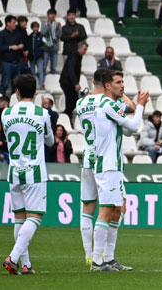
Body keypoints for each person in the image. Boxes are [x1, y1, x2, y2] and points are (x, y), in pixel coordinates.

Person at [91, 70, 147, 272]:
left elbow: (127, 129)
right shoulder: (107, 105)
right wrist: (140, 106)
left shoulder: (112, 106)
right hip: (107, 165)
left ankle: (110, 258)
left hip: (114, 165)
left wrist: (137, 108)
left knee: (116, 211)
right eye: (117, 82)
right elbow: (133, 125)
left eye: (123, 81)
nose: (122, 85)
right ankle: (97, 261)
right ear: (107, 86)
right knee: (106, 211)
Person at [0, 75, 54, 275]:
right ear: (36, 92)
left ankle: (27, 264)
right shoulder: (42, 113)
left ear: (17, 92)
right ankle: (13, 258)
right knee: (34, 217)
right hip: (34, 172)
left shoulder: (6, 113)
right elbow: (49, 141)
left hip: (14, 171)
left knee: (19, 219)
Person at [73, 69, 104, 265]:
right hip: (105, 159)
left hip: (87, 157)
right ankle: (104, 255)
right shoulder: (109, 103)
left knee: (87, 208)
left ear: (93, 82)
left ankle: (88, 254)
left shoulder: (80, 103)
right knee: (110, 209)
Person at [0, 16, 24, 95]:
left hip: (17, 61)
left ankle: (14, 102)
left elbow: (22, 43)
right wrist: (10, 47)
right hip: (6, 62)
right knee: (5, 83)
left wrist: (21, 46)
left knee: (16, 85)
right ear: (8, 23)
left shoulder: (17, 33)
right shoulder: (1, 34)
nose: (15, 24)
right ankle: (1, 101)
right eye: (13, 22)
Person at [59, 42, 87, 117]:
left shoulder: (77, 56)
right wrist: (75, 83)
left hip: (69, 82)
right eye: (84, 49)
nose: (85, 51)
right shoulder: (74, 56)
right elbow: (71, 70)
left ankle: (66, 117)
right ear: (79, 48)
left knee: (72, 101)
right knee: (72, 101)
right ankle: (65, 116)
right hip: (67, 82)